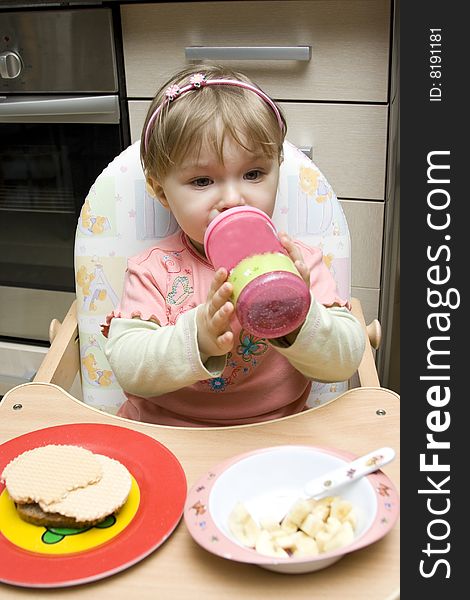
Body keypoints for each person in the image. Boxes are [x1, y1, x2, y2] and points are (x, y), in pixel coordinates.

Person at [102, 64, 365, 427]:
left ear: (277, 170)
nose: (233, 198)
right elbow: (129, 366)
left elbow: (345, 360)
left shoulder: (298, 263)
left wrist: (299, 318)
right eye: (202, 180)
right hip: (170, 432)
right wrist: (200, 336)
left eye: (253, 174)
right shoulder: (155, 270)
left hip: (274, 431)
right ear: (162, 191)